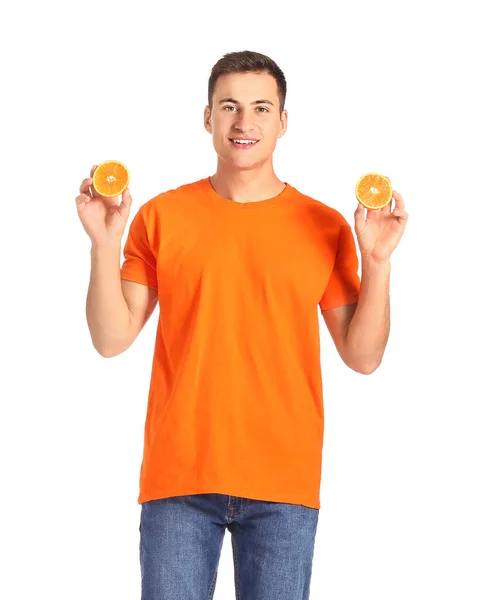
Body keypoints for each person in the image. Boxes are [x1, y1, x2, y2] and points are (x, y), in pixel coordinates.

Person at [76, 50, 408, 600]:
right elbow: (112, 339)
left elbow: (363, 356)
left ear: (283, 121)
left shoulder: (323, 225)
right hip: (179, 478)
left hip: (283, 481)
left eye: (260, 107)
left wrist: (377, 264)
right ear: (207, 117)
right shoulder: (162, 216)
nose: (244, 122)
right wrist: (104, 243)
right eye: (229, 106)